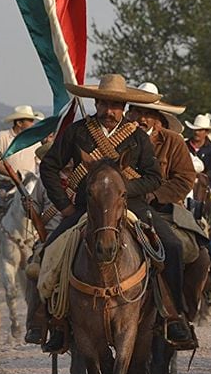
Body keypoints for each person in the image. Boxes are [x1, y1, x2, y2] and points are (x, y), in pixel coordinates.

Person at [38, 75, 168, 349]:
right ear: (96, 103)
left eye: (117, 105)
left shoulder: (137, 138)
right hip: (87, 209)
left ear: (124, 107)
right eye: (106, 104)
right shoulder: (76, 132)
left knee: (174, 247)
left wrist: (119, 190)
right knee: (47, 253)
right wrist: (64, 204)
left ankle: (173, 315)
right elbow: (49, 166)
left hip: (131, 207)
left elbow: (154, 177)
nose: (111, 111)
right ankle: (53, 322)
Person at [129, 82, 211, 317]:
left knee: (197, 252)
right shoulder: (119, 138)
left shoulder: (173, 141)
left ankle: (183, 312)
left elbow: (184, 180)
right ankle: (53, 317)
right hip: (120, 206)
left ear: (156, 117)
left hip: (165, 208)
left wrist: (155, 194)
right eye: (137, 111)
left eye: (147, 113)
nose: (141, 118)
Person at [0, 105, 41, 264]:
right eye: (29, 120)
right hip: (6, 186)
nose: (32, 123)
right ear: (20, 122)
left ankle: (43, 246)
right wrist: (14, 175)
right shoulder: (2, 136)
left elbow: (39, 163)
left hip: (30, 187)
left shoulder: (34, 140)